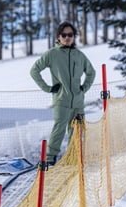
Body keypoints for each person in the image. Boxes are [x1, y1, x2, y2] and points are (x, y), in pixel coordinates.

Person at [30, 21, 96, 164]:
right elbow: (34, 71)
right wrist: (47, 88)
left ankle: (74, 159)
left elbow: (91, 73)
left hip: (78, 102)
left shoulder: (79, 55)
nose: (67, 38)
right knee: (59, 129)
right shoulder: (52, 54)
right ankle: (50, 159)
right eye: (64, 35)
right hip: (62, 100)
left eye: (70, 35)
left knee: (77, 131)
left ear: (73, 37)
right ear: (58, 37)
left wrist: (84, 88)